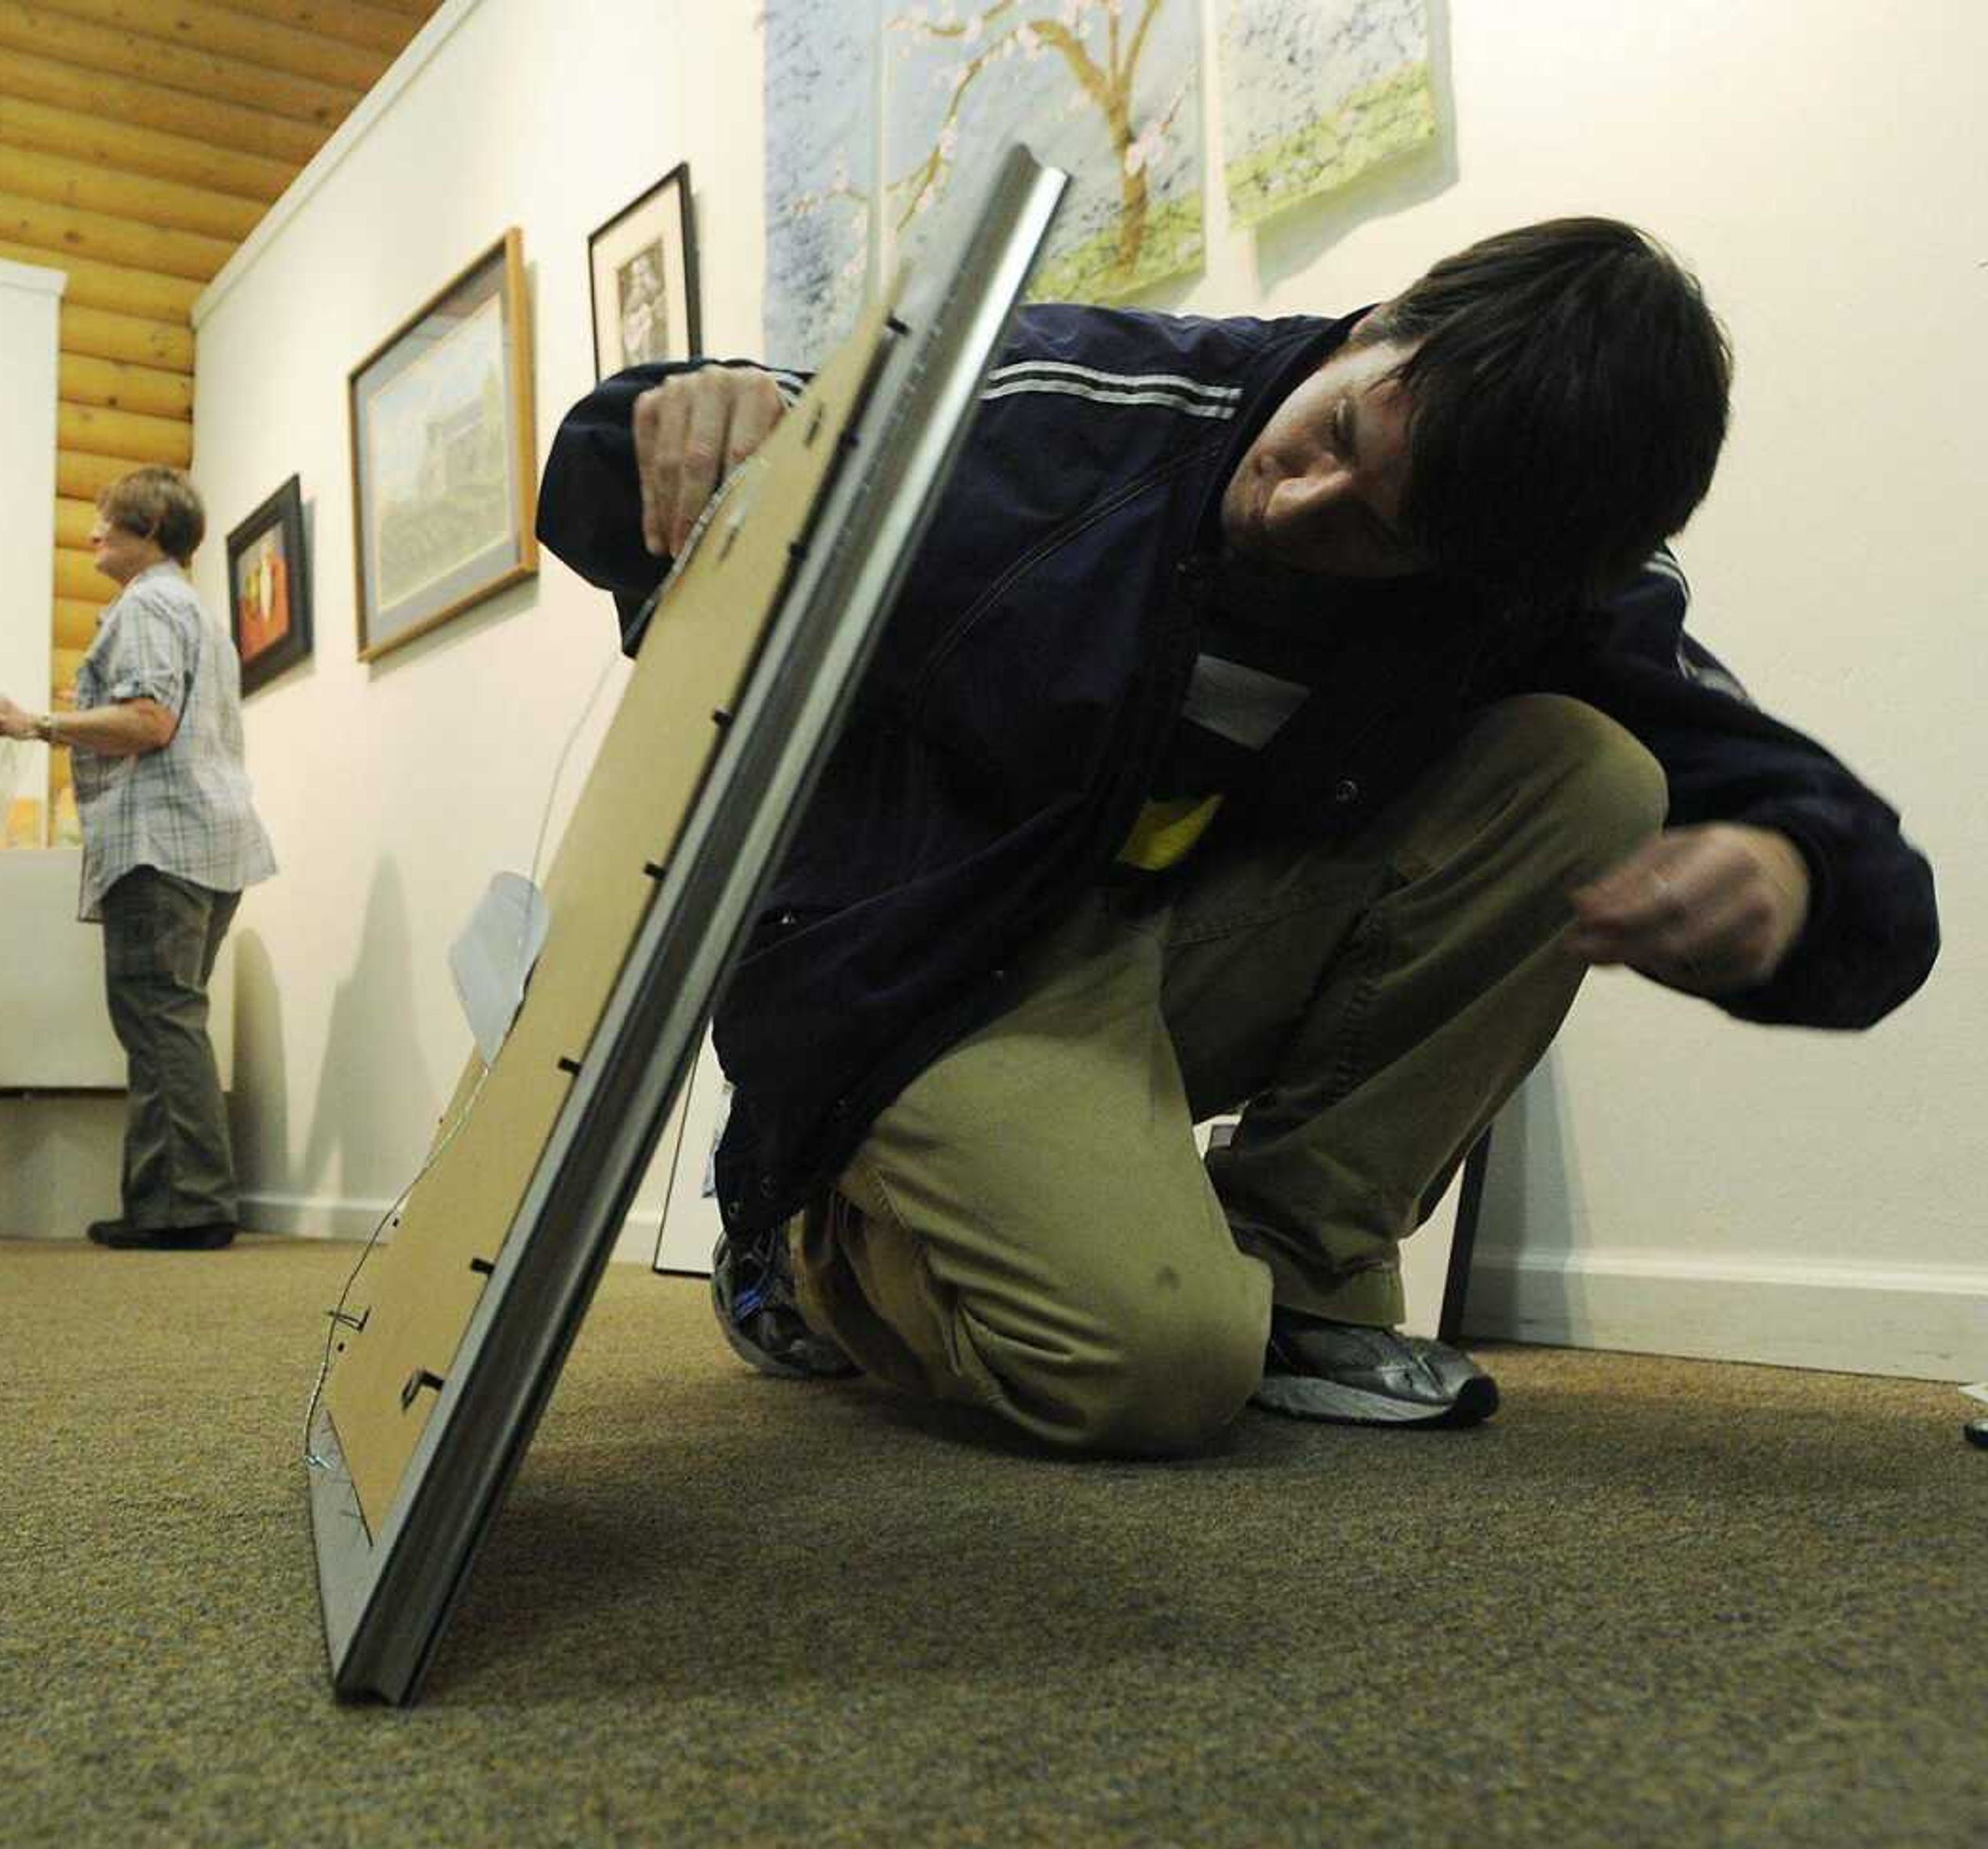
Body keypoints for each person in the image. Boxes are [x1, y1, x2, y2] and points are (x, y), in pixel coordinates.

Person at [535, 219, 1938, 1453]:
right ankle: (804, 1250)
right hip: (919, 967)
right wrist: (691, 413)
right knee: (1148, 1373)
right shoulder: (1055, 407)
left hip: (1159, 932)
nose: (1300, 504)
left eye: (1383, 536)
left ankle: (1300, 1273)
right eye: (1337, 438)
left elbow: (1856, 866)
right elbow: (605, 473)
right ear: (1381, 325)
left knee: (1589, 773)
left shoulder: (1543, 583)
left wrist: (1788, 876)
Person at [0, 468, 277, 1252]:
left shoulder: (144, 607)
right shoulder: (197, 613)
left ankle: (189, 1204)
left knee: (158, 1017)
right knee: (169, 1017)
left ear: (145, 530)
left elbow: (148, 720)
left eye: (105, 522)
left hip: (161, 839)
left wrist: (35, 723)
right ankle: (165, 1201)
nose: (92, 535)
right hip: (213, 837)